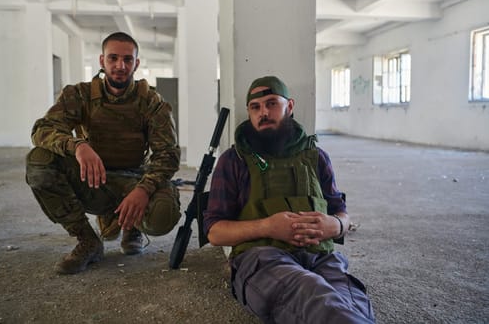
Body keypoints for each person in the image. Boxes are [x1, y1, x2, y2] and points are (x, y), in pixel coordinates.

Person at [203, 76, 375, 323]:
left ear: (290, 106)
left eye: (272, 103)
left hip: (321, 257)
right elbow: (215, 232)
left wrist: (335, 225)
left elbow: (341, 212)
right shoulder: (234, 159)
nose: (263, 112)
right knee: (315, 297)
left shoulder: (317, 157)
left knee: (354, 305)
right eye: (256, 107)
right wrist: (267, 227)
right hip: (262, 258)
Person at [26, 32, 181, 274]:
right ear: (102, 61)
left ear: (137, 63)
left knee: (163, 214)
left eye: (128, 60)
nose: (120, 66)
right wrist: (77, 145)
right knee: (39, 161)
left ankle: (131, 225)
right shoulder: (79, 95)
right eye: (113, 58)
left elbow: (168, 155)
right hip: (94, 179)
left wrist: (144, 189)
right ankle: (87, 240)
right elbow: (42, 130)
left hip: (133, 180)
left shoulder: (151, 102)